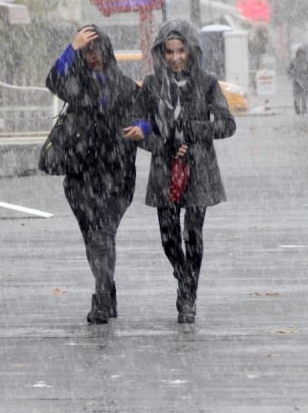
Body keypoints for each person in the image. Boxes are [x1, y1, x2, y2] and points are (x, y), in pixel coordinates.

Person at [124, 19, 236, 324]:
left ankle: (188, 295)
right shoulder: (151, 85)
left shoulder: (207, 82)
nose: (175, 58)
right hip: (164, 167)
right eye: (169, 51)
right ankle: (183, 275)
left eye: (181, 51)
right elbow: (139, 125)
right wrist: (162, 142)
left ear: (191, 51)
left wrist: (192, 131)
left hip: (199, 169)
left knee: (193, 233)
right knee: (169, 236)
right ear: (161, 52)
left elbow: (227, 125)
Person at [46, 24, 139, 325]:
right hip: (80, 175)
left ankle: (100, 297)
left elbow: (149, 119)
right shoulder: (76, 84)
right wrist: (70, 49)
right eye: (86, 52)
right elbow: (53, 79)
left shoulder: (125, 87)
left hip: (117, 175)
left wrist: (144, 130)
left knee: (103, 234)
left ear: (108, 51)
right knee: (92, 237)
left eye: (96, 49)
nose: (92, 56)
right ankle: (107, 287)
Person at [287, 47, 308, 115]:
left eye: (302, 53)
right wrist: (292, 74)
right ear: (297, 54)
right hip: (296, 83)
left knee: (304, 99)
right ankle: (297, 109)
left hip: (304, 83)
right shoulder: (294, 61)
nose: (301, 55)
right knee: (296, 98)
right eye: (300, 53)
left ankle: (304, 110)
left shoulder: (306, 61)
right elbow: (289, 70)